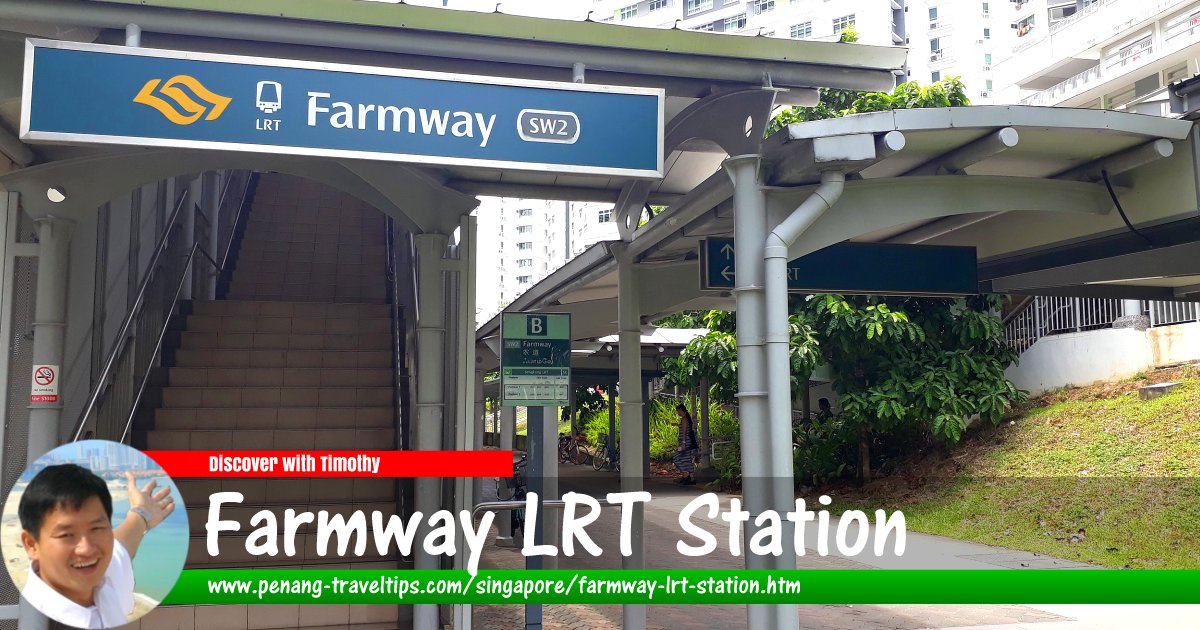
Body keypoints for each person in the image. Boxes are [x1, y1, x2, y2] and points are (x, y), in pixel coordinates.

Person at [18, 464, 175, 628]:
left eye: (96, 528)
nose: (86, 549)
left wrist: (141, 513)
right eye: (66, 535)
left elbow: (121, 546)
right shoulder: (36, 620)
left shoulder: (102, 579)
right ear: (31, 544)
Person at [673, 404, 700, 485]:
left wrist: (683, 443)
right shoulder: (686, 419)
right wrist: (677, 425)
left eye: (678, 411)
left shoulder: (684, 419)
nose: (677, 413)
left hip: (685, 441)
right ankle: (691, 477)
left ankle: (686, 474)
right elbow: (685, 428)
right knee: (687, 459)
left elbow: (684, 431)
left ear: (681, 410)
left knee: (676, 458)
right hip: (686, 441)